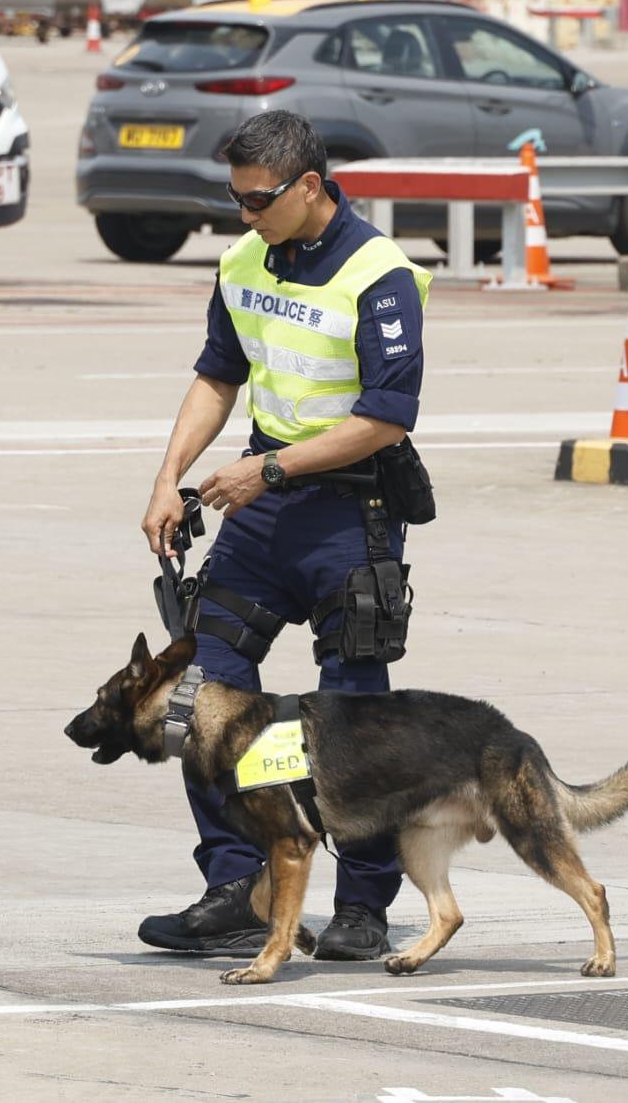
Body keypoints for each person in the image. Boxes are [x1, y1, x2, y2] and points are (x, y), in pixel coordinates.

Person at [137, 109, 429, 959]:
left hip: (349, 512)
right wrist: (168, 476)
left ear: (309, 186)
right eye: (236, 199)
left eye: (259, 200)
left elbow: (384, 419)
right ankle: (242, 885)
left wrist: (266, 470)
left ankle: (362, 905)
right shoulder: (242, 259)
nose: (245, 215)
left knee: (351, 719)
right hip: (263, 512)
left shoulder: (380, 274)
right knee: (201, 697)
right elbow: (217, 376)